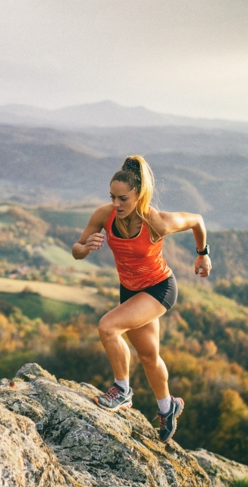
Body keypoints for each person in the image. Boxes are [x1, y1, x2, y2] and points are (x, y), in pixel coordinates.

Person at [72, 155, 211, 442]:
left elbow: (197, 220)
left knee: (108, 326)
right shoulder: (104, 215)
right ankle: (167, 407)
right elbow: (76, 248)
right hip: (131, 291)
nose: (116, 204)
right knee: (148, 355)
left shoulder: (156, 222)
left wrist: (203, 254)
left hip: (159, 288)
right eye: (112, 197)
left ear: (139, 195)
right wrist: (86, 248)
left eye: (123, 198)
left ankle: (122, 391)